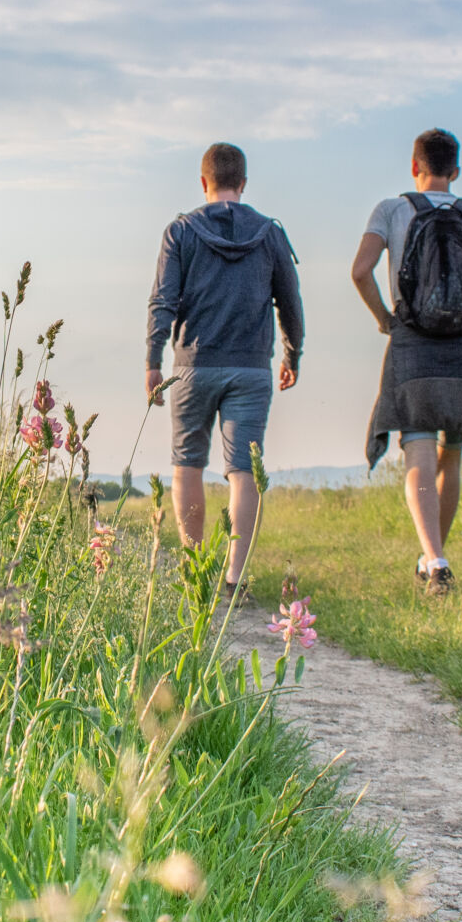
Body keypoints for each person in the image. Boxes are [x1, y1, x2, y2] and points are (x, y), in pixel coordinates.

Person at [351, 128, 462, 596]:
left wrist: (385, 317)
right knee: (452, 454)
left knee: (418, 452)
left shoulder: (391, 210)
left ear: (413, 166)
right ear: (457, 171)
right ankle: (433, 555)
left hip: (413, 345)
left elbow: (360, 270)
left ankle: (436, 559)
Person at [146, 141, 304, 605]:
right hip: (251, 368)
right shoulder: (270, 234)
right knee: (244, 470)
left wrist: (152, 361)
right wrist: (292, 355)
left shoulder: (180, 231)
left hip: (191, 368)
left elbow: (163, 301)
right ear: (244, 184)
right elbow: (290, 303)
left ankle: (197, 572)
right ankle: (234, 580)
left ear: (203, 182)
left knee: (187, 463)